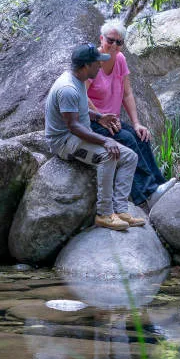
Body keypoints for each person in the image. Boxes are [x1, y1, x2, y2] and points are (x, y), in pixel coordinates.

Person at [45, 43, 146, 231]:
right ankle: (105, 214)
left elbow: (80, 112)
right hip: (64, 143)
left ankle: (121, 210)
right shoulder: (68, 88)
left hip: (77, 135)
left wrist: (99, 117)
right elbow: (73, 126)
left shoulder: (79, 80)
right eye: (97, 63)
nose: (100, 66)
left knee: (130, 156)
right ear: (85, 66)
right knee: (108, 154)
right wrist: (105, 140)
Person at [86, 19, 175, 208]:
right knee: (127, 139)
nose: (114, 45)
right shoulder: (92, 61)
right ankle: (146, 195)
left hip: (112, 120)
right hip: (92, 120)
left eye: (119, 42)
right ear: (101, 38)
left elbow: (127, 93)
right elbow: (81, 96)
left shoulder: (120, 59)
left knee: (140, 136)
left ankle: (159, 185)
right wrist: (100, 118)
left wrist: (136, 123)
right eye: (110, 40)